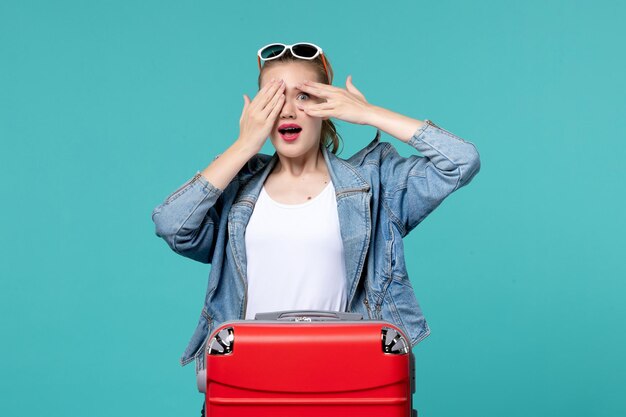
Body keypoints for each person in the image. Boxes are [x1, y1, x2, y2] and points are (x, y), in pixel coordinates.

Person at [151, 42, 481, 414]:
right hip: (252, 382)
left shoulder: (374, 184)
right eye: (273, 98)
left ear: (327, 106)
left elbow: (460, 162)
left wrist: (370, 114)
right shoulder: (234, 185)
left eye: (305, 96)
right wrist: (244, 145)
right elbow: (171, 224)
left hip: (350, 383)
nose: (288, 109)